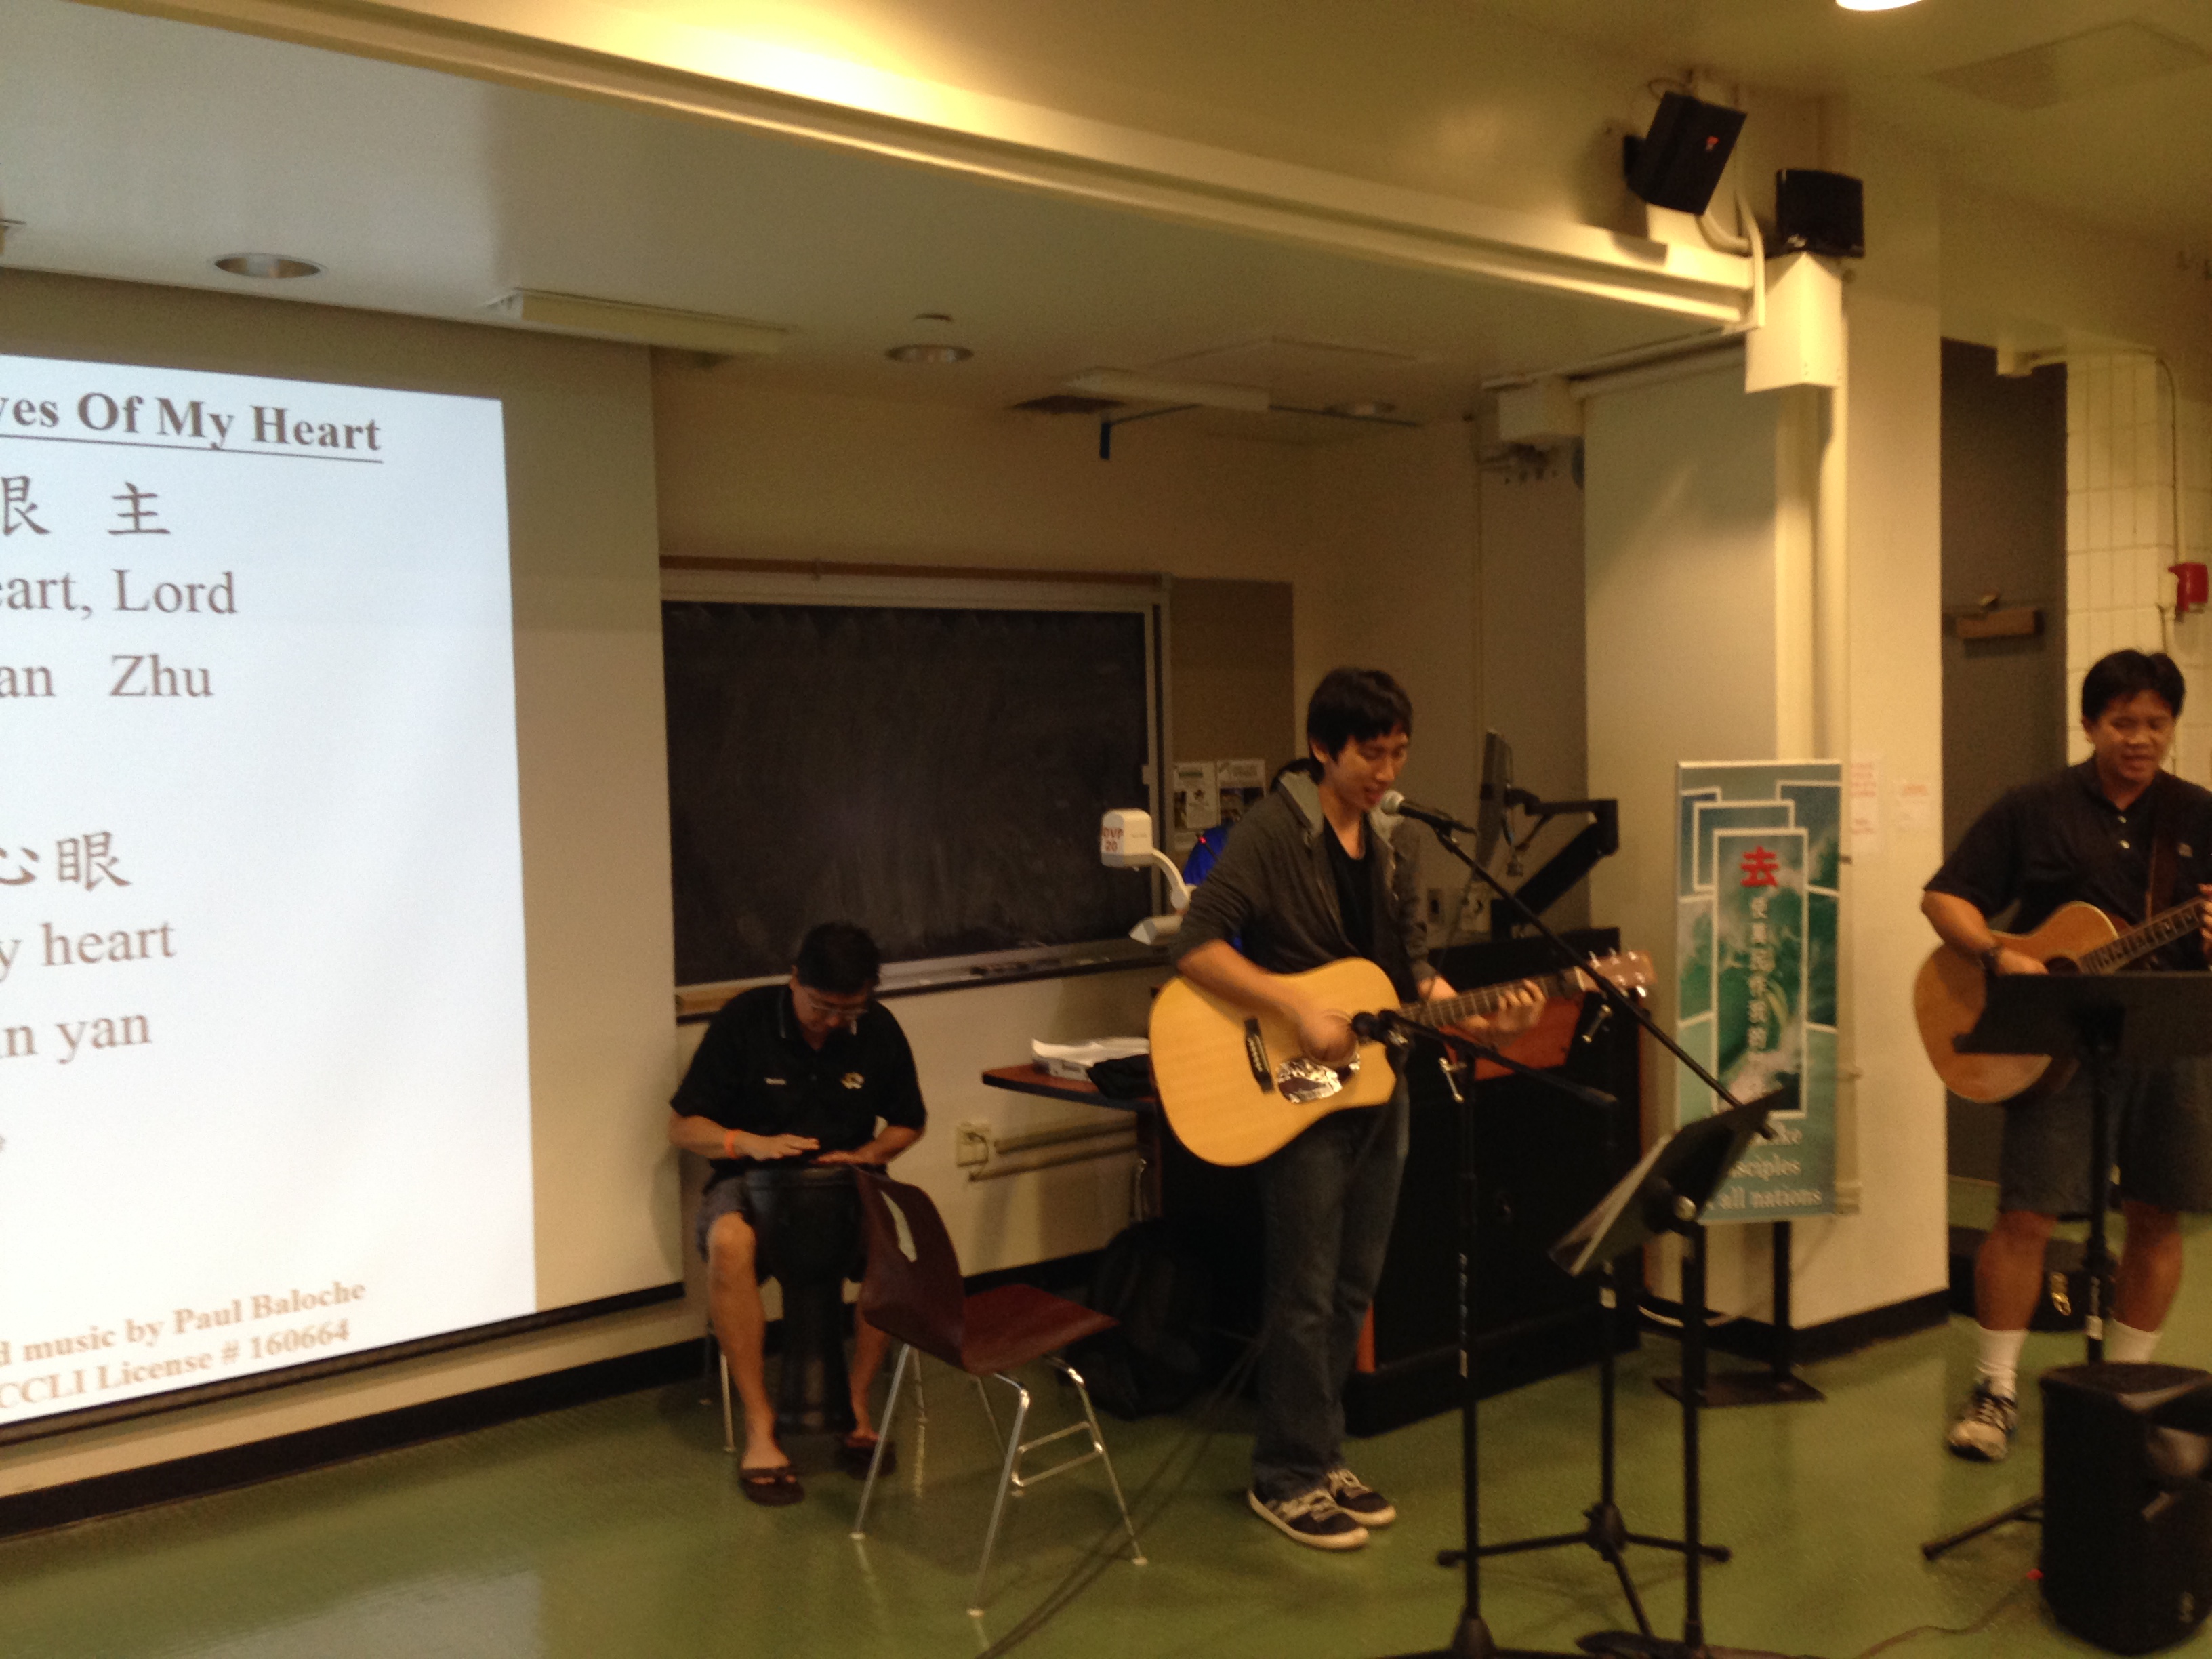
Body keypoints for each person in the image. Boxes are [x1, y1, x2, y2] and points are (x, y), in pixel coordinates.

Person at [1171, 667, 1545, 1549]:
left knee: (1353, 1286)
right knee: (1302, 1291)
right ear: (1322, 748)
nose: (1386, 771)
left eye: (1399, 753)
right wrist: (1297, 1005)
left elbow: (1409, 972)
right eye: (1371, 754)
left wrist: (1482, 1013)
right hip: (1293, 1087)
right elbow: (1196, 946)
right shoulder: (1272, 832)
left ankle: (1319, 1449)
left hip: (1378, 1083)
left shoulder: (1398, 841)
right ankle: (1283, 1476)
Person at [1923, 649, 2212, 1462]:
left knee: (2157, 1214)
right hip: (2056, 1042)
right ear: (2090, 724)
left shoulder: (2198, 814)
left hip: (2171, 1036)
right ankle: (1996, 1389)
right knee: (2025, 1215)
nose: (2140, 738)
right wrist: (1998, 954)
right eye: (2123, 722)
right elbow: (1943, 898)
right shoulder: (2034, 807)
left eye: (2156, 723)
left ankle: (2128, 1390)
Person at [668, 922, 926, 1504]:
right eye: (822, 1007)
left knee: (891, 1250)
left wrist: (869, 1154)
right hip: (750, 1179)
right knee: (730, 1243)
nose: (833, 1021)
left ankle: (856, 1405)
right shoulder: (745, 1019)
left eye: (849, 1010)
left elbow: (909, 1121)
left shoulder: (878, 1028)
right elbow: (682, 1127)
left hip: (847, 1179)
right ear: (794, 980)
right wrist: (747, 1143)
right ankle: (761, 1426)